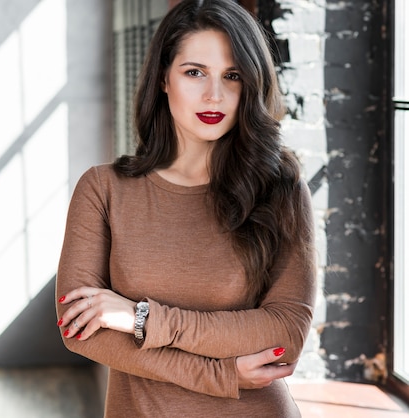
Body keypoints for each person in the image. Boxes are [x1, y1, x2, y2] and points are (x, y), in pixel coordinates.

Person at [55, 0, 316, 416]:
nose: (214, 94)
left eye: (233, 76)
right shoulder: (103, 189)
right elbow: (79, 329)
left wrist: (140, 318)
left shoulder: (279, 188)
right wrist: (220, 375)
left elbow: (285, 331)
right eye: (194, 72)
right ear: (163, 78)